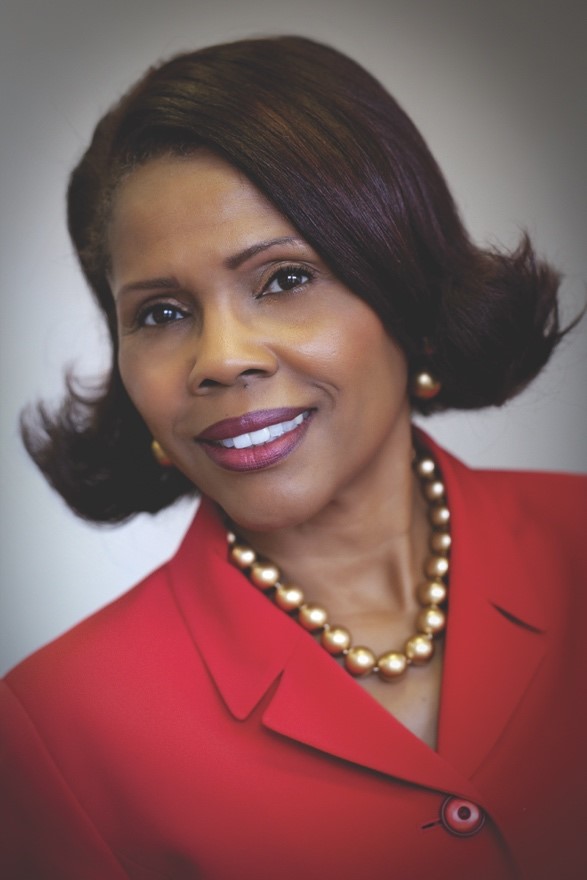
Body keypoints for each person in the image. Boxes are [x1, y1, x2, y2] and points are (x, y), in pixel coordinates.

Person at [1, 35, 585, 880]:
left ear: (406, 292)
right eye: (161, 314)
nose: (221, 357)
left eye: (282, 280)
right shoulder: (57, 727)